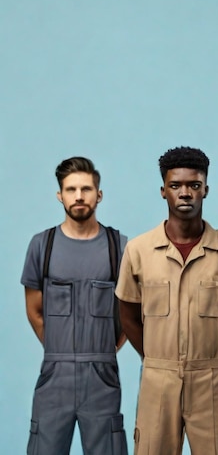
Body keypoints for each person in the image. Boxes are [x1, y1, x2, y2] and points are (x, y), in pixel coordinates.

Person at [115, 147, 218, 454]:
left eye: (193, 185)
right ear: (163, 191)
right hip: (157, 381)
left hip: (213, 381)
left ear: (205, 190)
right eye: (176, 186)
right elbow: (128, 316)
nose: (185, 193)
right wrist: (155, 358)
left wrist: (214, 359)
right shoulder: (138, 251)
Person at [21, 156, 128, 455]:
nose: (79, 196)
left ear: (99, 194)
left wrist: (102, 353)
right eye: (71, 189)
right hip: (55, 374)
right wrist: (62, 353)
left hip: (102, 377)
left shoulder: (119, 247)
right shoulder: (42, 246)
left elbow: (130, 316)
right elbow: (35, 312)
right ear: (60, 195)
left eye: (86, 189)